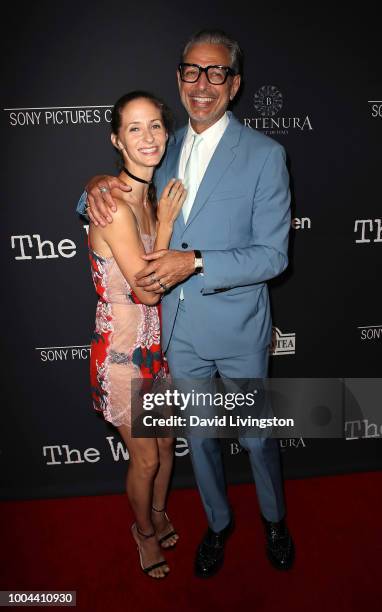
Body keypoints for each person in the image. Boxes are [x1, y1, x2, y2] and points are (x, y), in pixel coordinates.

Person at [79, 29, 295, 578]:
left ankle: (274, 520)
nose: (203, 84)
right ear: (179, 79)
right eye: (192, 72)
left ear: (234, 83)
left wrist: (195, 261)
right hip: (173, 333)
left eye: (216, 72)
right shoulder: (163, 143)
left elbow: (273, 255)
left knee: (256, 435)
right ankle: (218, 525)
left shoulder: (266, 155)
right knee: (197, 438)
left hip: (238, 325)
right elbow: (114, 189)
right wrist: (93, 185)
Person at [87, 91, 187, 579]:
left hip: (155, 351)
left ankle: (160, 511)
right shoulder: (116, 206)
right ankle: (143, 531)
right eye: (134, 128)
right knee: (145, 458)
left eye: (155, 126)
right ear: (116, 139)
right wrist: (166, 225)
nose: (148, 138)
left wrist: (161, 215)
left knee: (166, 445)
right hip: (123, 355)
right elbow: (147, 291)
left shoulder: (149, 193)